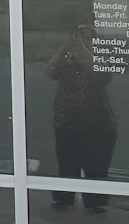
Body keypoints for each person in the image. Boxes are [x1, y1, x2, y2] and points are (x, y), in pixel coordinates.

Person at [46, 23, 116, 212]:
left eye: (88, 38)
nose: (83, 41)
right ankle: (63, 198)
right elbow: (50, 70)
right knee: (67, 168)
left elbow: (104, 75)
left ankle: (96, 203)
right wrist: (66, 47)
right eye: (79, 37)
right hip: (67, 124)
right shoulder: (66, 63)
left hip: (99, 126)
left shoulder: (101, 59)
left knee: (96, 170)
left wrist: (83, 51)